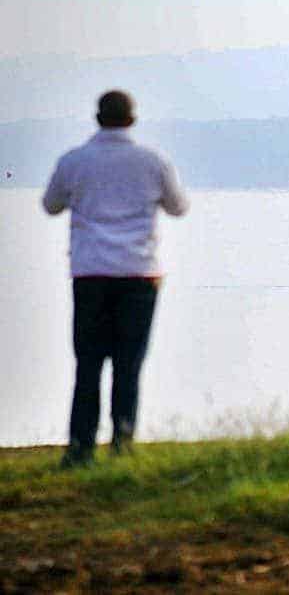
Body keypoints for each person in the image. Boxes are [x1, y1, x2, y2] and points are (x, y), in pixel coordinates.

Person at [41, 91, 189, 468]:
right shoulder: (153, 161)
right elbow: (178, 206)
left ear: (97, 118)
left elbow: (51, 204)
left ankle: (80, 448)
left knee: (88, 364)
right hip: (138, 273)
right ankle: (122, 442)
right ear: (132, 120)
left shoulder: (74, 161)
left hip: (90, 273)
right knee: (129, 363)